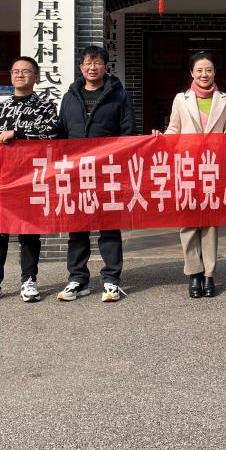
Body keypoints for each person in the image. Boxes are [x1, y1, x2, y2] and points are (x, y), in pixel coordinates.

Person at [0, 56, 59, 304]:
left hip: (30, 178)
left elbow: (53, 134)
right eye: (16, 71)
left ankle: (29, 281)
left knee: (28, 232)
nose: (20, 75)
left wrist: (17, 133)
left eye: (26, 71)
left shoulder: (45, 107)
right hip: (1, 178)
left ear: (36, 77)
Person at [56, 46, 137, 303]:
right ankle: (77, 279)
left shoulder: (119, 95)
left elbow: (128, 132)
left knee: (109, 227)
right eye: (88, 63)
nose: (93, 68)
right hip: (77, 172)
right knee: (77, 228)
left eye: (98, 63)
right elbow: (61, 134)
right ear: (81, 67)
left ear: (106, 67)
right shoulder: (70, 97)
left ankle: (111, 280)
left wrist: (120, 165)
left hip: (108, 171)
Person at [159, 51, 226, 298]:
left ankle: (209, 274)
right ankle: (194, 273)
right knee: (189, 221)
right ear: (191, 73)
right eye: (200, 70)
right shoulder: (181, 99)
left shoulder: (225, 100)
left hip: (214, 167)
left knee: (210, 223)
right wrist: (160, 139)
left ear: (215, 72)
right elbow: (173, 130)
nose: (205, 74)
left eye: (209, 70)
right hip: (187, 166)